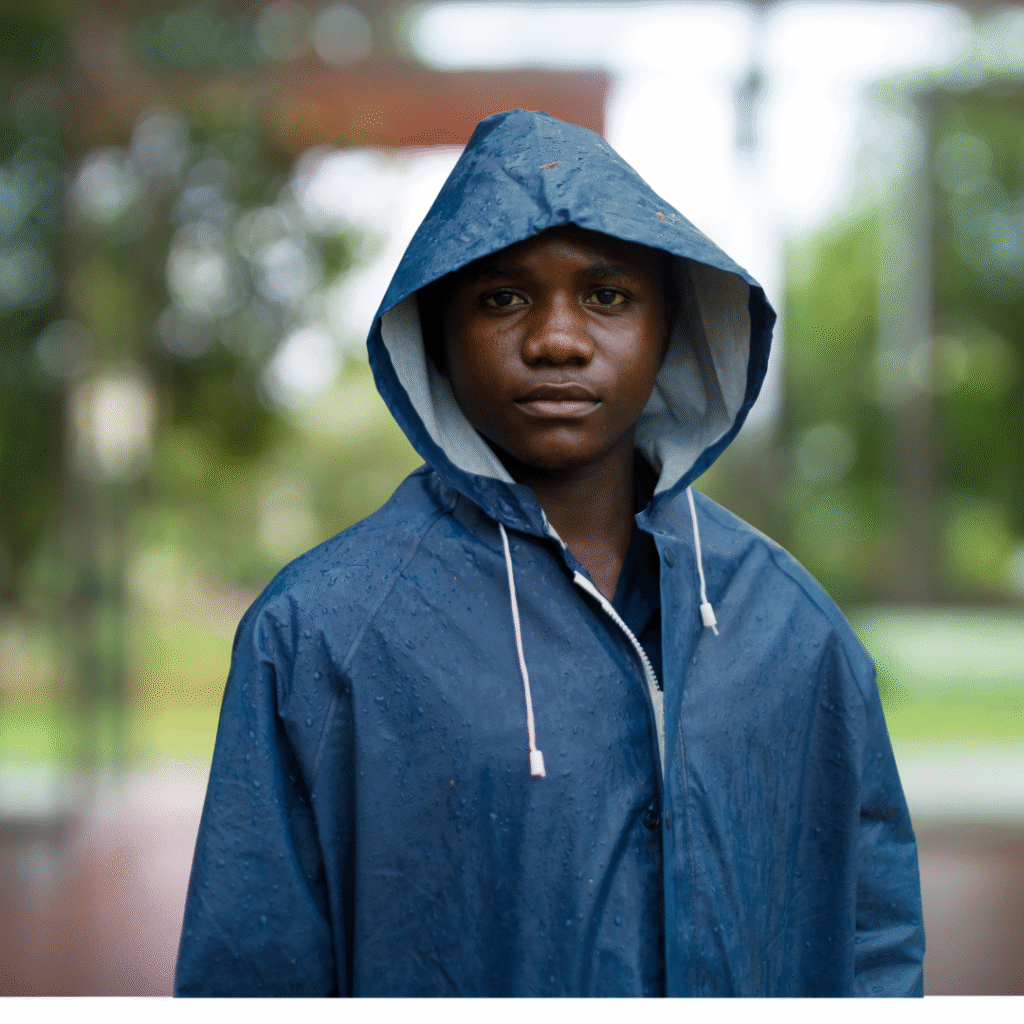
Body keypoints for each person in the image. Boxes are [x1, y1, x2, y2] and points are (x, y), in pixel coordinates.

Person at [174, 109, 924, 997]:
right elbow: (251, 972)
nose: (557, 340)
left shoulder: (791, 626)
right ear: (436, 337)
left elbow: (873, 938)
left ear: (669, 329)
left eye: (608, 295)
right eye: (502, 298)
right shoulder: (319, 635)